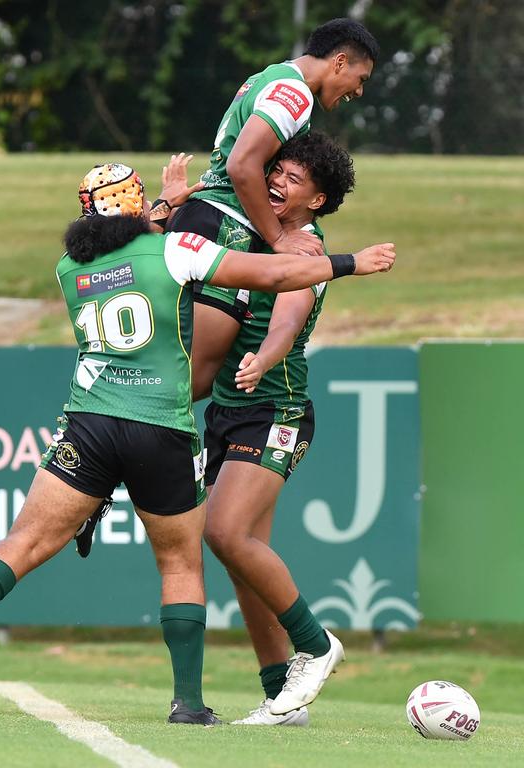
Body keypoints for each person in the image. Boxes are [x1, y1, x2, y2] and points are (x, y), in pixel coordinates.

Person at [0, 162, 395, 723]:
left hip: (89, 425)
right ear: (137, 203)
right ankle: (189, 704)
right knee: (180, 564)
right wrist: (349, 264)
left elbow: (129, 234)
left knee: (23, 542)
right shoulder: (177, 250)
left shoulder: (68, 266)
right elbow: (271, 276)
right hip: (161, 426)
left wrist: (164, 206)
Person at [198, 132, 359, 725]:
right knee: (244, 555)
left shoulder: (307, 250)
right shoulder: (264, 236)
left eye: (294, 179)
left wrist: (266, 355)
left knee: (225, 533)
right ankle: (279, 696)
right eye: (278, 170)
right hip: (228, 409)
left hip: (276, 409)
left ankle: (316, 646)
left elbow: (288, 315)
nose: (277, 182)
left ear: (316, 201)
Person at [161, 17, 379, 400]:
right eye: (361, 79)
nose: (359, 91)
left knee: (176, 371)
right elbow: (241, 164)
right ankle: (119, 449)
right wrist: (278, 238)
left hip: (202, 219)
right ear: (339, 62)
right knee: (194, 380)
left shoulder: (271, 76)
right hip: (223, 225)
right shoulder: (294, 95)